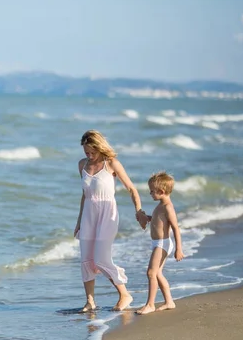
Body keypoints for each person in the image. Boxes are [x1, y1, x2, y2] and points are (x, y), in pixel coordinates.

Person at [73, 130, 148, 312]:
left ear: (100, 147)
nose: (89, 156)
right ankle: (90, 301)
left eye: (92, 152)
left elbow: (131, 188)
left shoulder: (111, 163)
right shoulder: (82, 165)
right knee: (86, 259)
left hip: (107, 213)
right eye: (86, 152)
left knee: (101, 259)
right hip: (88, 214)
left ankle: (124, 294)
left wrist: (139, 211)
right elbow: (85, 196)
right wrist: (79, 222)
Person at [136, 171, 184, 315]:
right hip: (158, 243)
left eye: (152, 192)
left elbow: (175, 228)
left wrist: (179, 249)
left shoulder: (168, 207)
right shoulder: (161, 205)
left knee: (151, 272)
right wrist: (147, 218)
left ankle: (150, 304)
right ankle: (169, 301)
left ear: (161, 191)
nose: (150, 194)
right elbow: (159, 221)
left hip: (163, 244)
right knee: (157, 273)